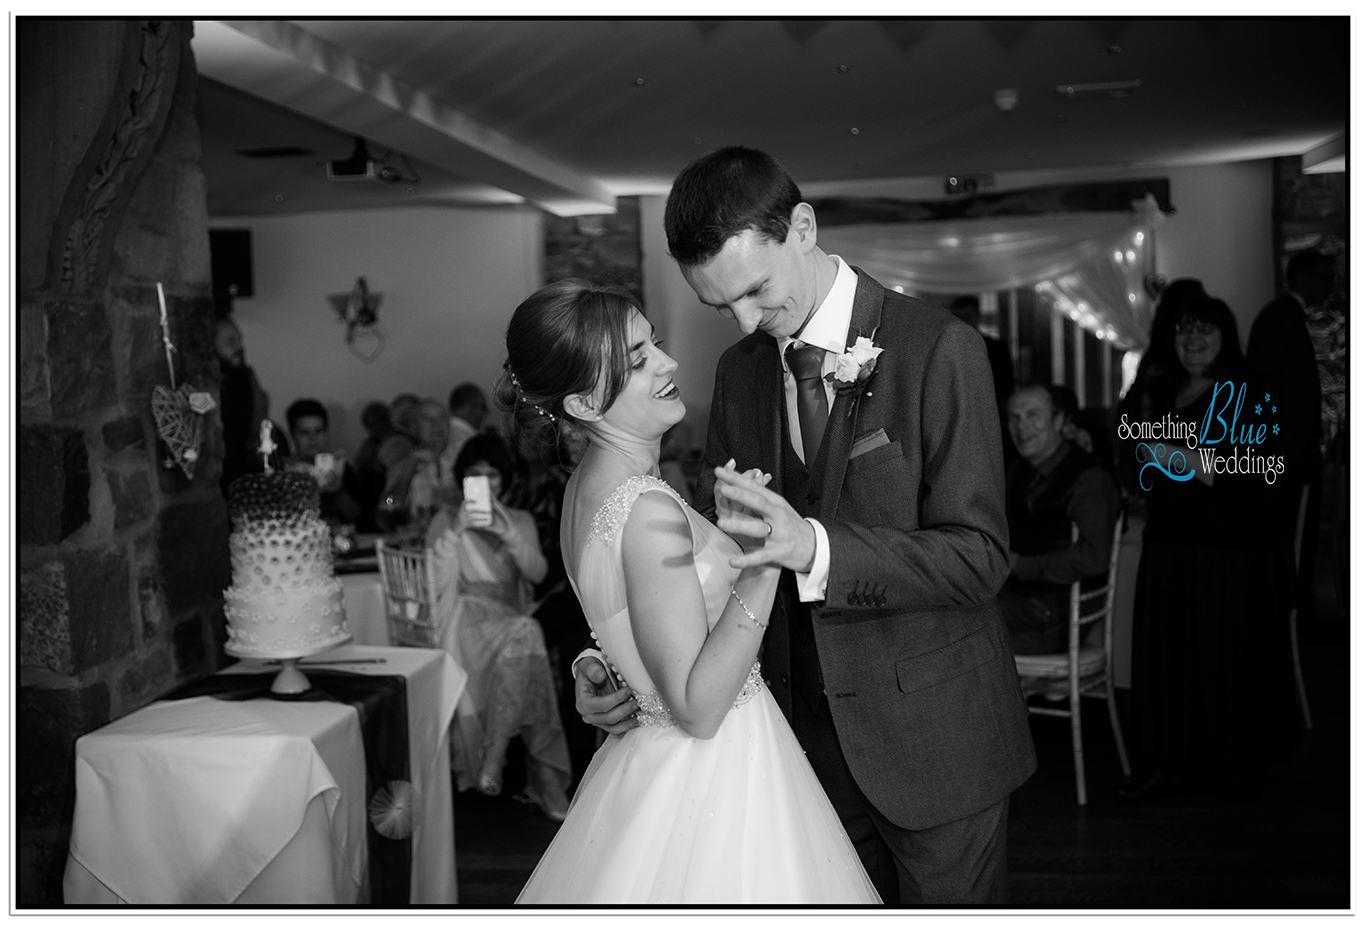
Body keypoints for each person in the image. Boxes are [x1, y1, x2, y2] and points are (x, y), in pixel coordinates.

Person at [576, 147, 1035, 904]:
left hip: (936, 742)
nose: (747, 321)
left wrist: (814, 547)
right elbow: (714, 552)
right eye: (723, 307)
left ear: (802, 228)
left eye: (755, 290)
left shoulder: (938, 349)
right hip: (799, 750)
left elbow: (978, 555)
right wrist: (617, 660)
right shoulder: (740, 371)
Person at [511, 279, 879, 903]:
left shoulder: (585, 488)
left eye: (653, 343)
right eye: (637, 361)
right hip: (715, 776)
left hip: (653, 764)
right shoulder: (645, 507)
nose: (668, 363)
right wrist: (764, 561)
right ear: (582, 404)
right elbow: (697, 707)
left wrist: (598, 660)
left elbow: (625, 611)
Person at [1119, 295, 1296, 799]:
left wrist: (1171, 455)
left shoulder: (1250, 390)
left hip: (1226, 554)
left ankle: (1223, 766)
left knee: (1219, 663)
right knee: (1166, 661)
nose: (1191, 339)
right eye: (1183, 330)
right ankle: (1167, 762)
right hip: (1168, 546)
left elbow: (1253, 474)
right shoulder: (1163, 388)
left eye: (1204, 330)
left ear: (1226, 337)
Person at [426, 430, 572, 822]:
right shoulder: (445, 519)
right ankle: (539, 773)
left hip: (506, 622)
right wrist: (455, 532)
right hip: (461, 622)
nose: (485, 483)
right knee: (528, 634)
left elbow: (538, 573)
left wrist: (510, 536)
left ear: (505, 479)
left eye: (492, 475)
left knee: (524, 634)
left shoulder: (519, 519)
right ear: (462, 480)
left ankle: (496, 754)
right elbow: (432, 583)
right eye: (475, 475)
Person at [999, 384, 1120, 655]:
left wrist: (1020, 565)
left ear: (1059, 421)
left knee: (952, 633)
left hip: (1058, 614)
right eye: (1014, 418)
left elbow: (1093, 557)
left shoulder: (1088, 478)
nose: (1021, 426)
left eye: (1033, 415)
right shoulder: (1018, 471)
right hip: (1019, 601)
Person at [1247, 250, 1335, 621]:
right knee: (1291, 544)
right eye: (1324, 277)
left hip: (1289, 458)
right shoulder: (1280, 316)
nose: (1331, 287)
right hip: (1286, 463)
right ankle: (1289, 625)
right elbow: (1263, 387)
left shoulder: (1286, 316)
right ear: (1302, 277)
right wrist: (1286, 453)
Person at [284, 398, 363, 526]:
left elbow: (358, 517)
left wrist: (338, 491)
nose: (312, 438)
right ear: (292, 434)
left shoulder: (340, 468)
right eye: (304, 432)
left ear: (326, 432)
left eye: (318, 431)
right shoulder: (282, 472)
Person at [214, 317, 271, 493]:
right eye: (230, 342)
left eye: (240, 340)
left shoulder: (247, 377)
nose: (239, 347)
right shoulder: (205, 385)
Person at [351, 401, 415, 533]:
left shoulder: (400, 441)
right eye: (371, 423)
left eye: (379, 420)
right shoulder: (368, 444)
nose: (375, 426)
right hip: (369, 507)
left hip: (393, 506)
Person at [406, 398, 458, 524]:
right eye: (427, 419)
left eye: (441, 418)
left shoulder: (464, 459)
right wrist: (408, 473)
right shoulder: (405, 465)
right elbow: (391, 506)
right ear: (414, 428)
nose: (436, 424)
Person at [447, 382, 489, 465]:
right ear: (472, 407)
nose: (485, 414)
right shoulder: (471, 441)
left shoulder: (444, 431)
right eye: (483, 408)